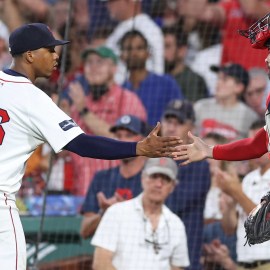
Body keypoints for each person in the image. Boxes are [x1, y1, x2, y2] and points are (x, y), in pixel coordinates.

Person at [0, 23, 182, 270]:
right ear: (30, 55)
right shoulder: (33, 100)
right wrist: (137, 148)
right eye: (50, 50)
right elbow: (82, 143)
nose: (56, 56)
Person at [65, 45, 148, 194]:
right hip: (80, 193)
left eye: (100, 62)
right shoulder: (78, 103)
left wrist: (84, 111)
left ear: (114, 68)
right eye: (89, 62)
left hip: (116, 191)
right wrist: (63, 117)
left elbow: (126, 143)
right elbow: (65, 152)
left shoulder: (128, 100)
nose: (93, 67)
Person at [91, 157, 190, 270]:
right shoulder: (116, 213)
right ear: (143, 179)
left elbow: (177, 267)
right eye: (153, 177)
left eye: (165, 179)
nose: (158, 184)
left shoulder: (176, 224)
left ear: (172, 187)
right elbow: (101, 263)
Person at [161, 99, 211, 270]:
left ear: (192, 129)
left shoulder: (199, 164)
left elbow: (175, 204)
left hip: (185, 257)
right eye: (168, 121)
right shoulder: (152, 160)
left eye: (179, 123)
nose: (171, 127)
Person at [80, 114, 147, 238]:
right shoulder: (101, 178)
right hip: (108, 252)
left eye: (129, 135)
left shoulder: (152, 179)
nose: (122, 141)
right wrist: (104, 212)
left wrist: (123, 211)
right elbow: (85, 231)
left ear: (143, 140)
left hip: (141, 251)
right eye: (118, 136)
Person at [216, 119, 270, 269]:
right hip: (243, 263)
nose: (255, 147)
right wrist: (230, 203)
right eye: (253, 141)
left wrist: (236, 192)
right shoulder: (248, 179)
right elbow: (229, 229)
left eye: (260, 141)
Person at [120, 30, 183, 126]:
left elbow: (180, 117)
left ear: (148, 53)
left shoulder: (166, 83)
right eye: (128, 49)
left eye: (139, 48)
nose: (134, 53)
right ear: (121, 56)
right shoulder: (120, 90)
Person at [194, 63, 258, 140]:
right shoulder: (200, 106)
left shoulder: (248, 115)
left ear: (239, 87)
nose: (218, 82)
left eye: (225, 79)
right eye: (218, 78)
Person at [163, 25, 209, 102]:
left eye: (167, 46)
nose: (161, 52)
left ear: (182, 51)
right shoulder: (157, 76)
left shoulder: (192, 81)